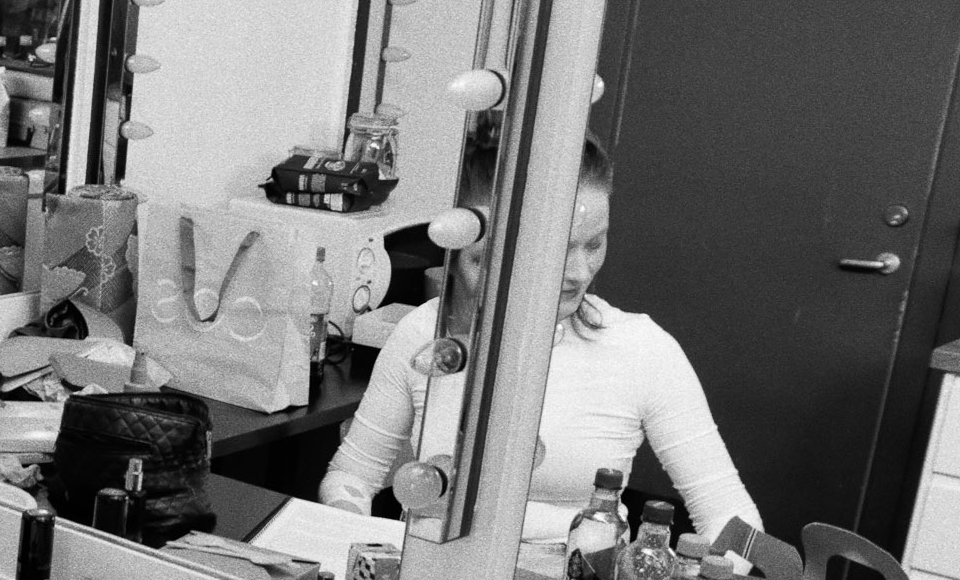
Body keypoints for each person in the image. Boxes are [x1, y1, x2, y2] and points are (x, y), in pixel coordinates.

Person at [318, 137, 761, 545]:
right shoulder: (424, 335)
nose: (580, 273)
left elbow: (727, 511)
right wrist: (349, 527)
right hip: (435, 574)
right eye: (561, 249)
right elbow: (352, 475)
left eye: (594, 244)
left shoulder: (643, 349)